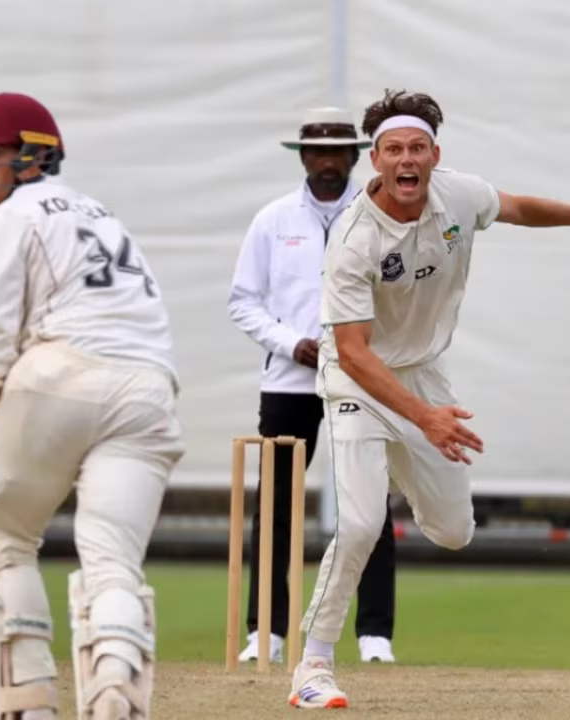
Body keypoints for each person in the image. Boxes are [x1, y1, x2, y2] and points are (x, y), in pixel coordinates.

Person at [287, 89, 570, 709]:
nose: (407, 159)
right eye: (394, 149)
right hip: (356, 382)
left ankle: (399, 461)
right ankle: (313, 665)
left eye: (417, 148)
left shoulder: (459, 195)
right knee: (362, 523)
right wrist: (421, 419)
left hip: (425, 375)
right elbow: (356, 353)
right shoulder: (353, 238)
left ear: (434, 155)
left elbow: (518, 207)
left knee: (453, 532)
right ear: (376, 160)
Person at [0, 91, 183, 720]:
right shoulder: (102, 214)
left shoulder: (11, 217)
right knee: (113, 562)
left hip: (61, 376)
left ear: (32, 155)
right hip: (150, 392)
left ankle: (29, 705)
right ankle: (114, 689)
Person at [227, 107, 399, 666]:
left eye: (338, 152)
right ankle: (267, 632)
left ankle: (374, 635)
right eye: (318, 152)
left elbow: (400, 297)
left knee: (369, 503)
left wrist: (368, 347)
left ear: (354, 156)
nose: (328, 162)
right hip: (289, 381)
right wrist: (290, 343)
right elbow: (243, 301)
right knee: (276, 507)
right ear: (303, 157)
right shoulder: (273, 220)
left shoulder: (380, 217)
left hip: (361, 378)